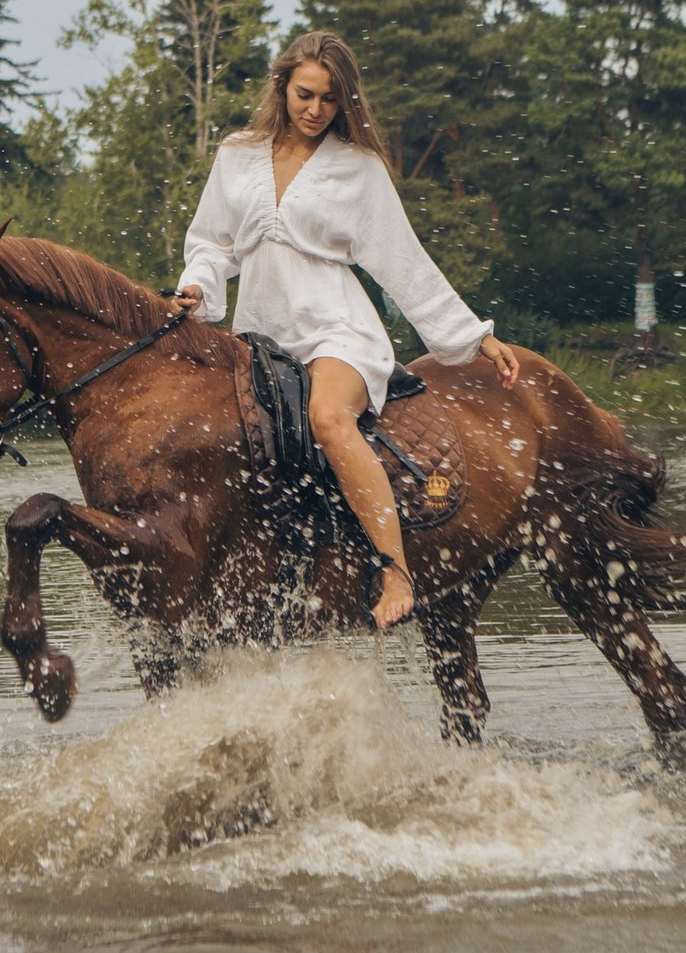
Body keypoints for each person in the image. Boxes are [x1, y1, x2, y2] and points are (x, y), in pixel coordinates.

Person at [175, 31, 520, 630]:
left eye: (330, 100)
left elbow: (404, 261)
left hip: (339, 330)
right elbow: (213, 244)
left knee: (329, 419)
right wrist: (198, 287)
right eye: (305, 94)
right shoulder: (237, 152)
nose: (315, 110)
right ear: (282, 87)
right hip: (259, 339)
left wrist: (472, 337)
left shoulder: (357, 168)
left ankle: (394, 565)